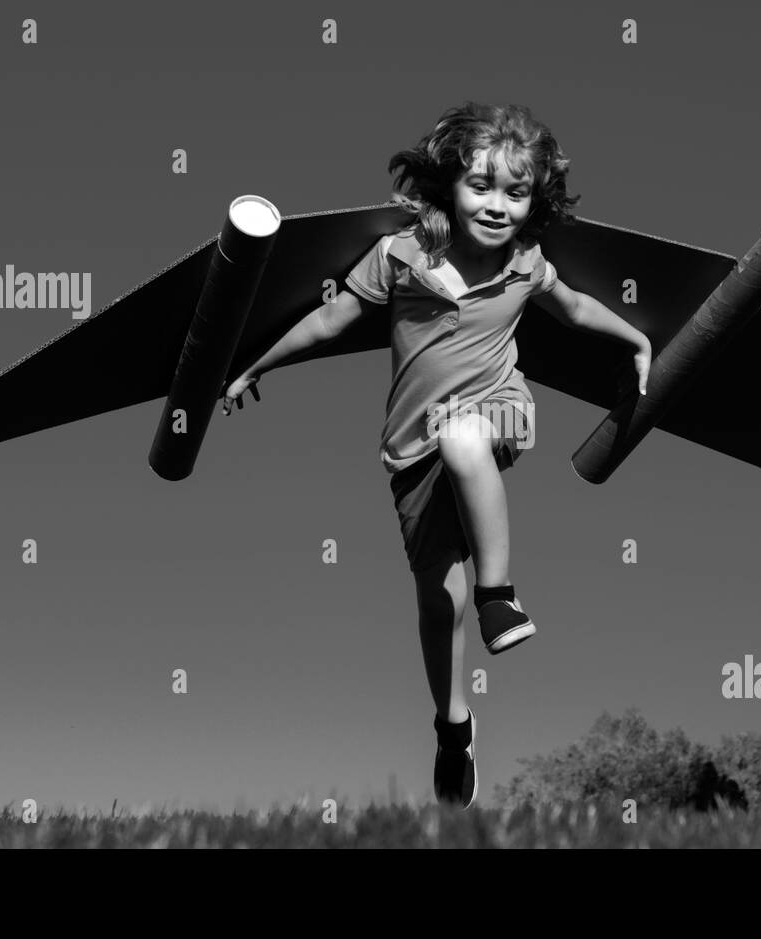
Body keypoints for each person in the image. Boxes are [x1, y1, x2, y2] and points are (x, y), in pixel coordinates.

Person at [221, 102, 651, 807]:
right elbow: (331, 318)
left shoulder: (525, 265)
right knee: (433, 600)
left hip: (498, 412)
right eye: (481, 186)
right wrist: (256, 365)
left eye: (516, 193)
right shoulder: (403, 256)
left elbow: (575, 308)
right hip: (408, 449)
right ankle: (454, 728)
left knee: (464, 437)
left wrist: (636, 339)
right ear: (449, 183)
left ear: (535, 202)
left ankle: (499, 596)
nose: (497, 205)